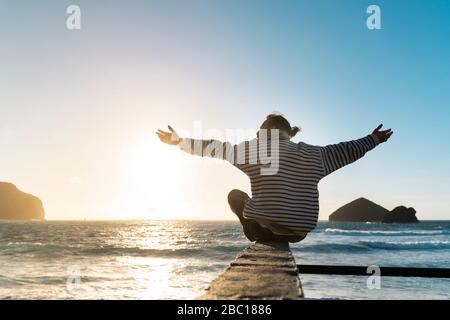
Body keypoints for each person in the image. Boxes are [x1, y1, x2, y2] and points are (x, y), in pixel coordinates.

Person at [157, 113, 393, 243]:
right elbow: (347, 150)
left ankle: (259, 225)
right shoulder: (315, 154)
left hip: (261, 230)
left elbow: (215, 147)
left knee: (235, 196)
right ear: (287, 134)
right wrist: (373, 139)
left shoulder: (254, 151)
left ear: (264, 133)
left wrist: (179, 141)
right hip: (298, 233)